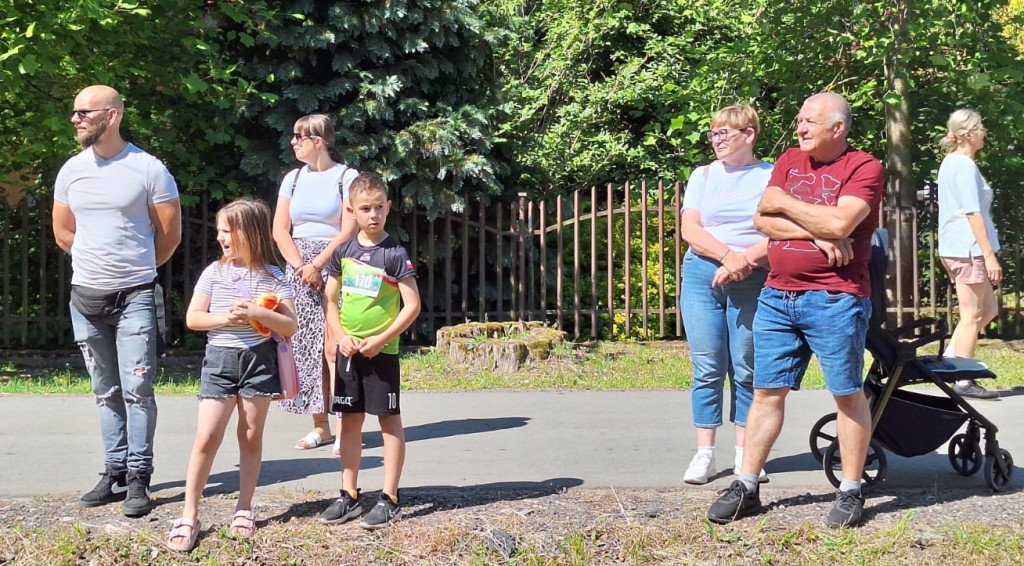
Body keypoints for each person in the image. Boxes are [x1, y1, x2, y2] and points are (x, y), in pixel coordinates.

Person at [706, 92, 883, 528]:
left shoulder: (864, 167)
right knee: (766, 391)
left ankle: (850, 490)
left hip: (836, 298)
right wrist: (816, 233)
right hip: (777, 294)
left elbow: (842, 224)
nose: (800, 128)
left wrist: (791, 208)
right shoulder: (789, 159)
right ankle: (747, 484)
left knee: (846, 393)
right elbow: (762, 219)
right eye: (800, 119)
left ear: (836, 128)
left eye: (809, 121)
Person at [52, 85, 182, 517]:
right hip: (85, 297)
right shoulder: (72, 171)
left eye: (84, 112)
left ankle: (139, 477)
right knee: (104, 390)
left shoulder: (149, 169)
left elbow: (170, 235)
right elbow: (63, 232)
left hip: (135, 297)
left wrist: (136, 269)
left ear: (112, 116)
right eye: (73, 112)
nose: (75, 119)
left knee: (138, 389)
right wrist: (96, 263)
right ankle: (115, 472)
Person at [166, 199, 298, 552]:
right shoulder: (214, 272)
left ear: (249, 233)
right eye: (219, 230)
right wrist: (227, 318)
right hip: (220, 360)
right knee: (207, 436)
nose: (221, 236)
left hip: (259, 362)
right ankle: (189, 513)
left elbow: (290, 324)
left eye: (227, 230)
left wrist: (257, 312)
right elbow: (194, 318)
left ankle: (244, 507)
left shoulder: (273, 275)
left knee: (251, 436)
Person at [318, 172, 421, 529]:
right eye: (365, 208)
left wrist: (382, 339)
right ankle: (349, 495)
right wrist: (340, 335)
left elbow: (412, 306)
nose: (374, 214)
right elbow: (328, 298)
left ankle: (390, 497)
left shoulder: (394, 253)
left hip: (383, 354)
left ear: (388, 207)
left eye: (380, 207)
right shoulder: (343, 251)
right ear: (351, 210)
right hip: (349, 353)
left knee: (389, 421)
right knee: (349, 421)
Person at [679, 104, 771, 485]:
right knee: (708, 365)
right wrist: (728, 256)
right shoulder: (703, 175)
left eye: (724, 134)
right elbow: (691, 228)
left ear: (748, 135)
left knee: (747, 366)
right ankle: (704, 454)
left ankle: (745, 455)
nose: (717, 140)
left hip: (752, 275)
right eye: (713, 134)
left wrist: (743, 261)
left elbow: (779, 230)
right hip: (703, 272)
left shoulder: (771, 175)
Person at [272, 114, 359, 453]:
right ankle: (319, 425)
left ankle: (343, 426)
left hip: (335, 264)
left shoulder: (345, 177)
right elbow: (280, 229)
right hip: (300, 267)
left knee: (334, 347)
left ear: (319, 140)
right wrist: (300, 266)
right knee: (306, 349)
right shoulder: (292, 179)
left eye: (300, 136)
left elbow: (349, 228)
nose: (294, 142)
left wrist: (319, 264)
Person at [937, 109, 1001, 400]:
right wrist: (989, 256)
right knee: (972, 314)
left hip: (961, 247)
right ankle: (963, 379)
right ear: (967, 134)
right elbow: (972, 212)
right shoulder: (962, 165)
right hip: (968, 249)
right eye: (980, 127)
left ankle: (949, 362)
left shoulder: (955, 163)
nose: (984, 132)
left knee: (988, 311)